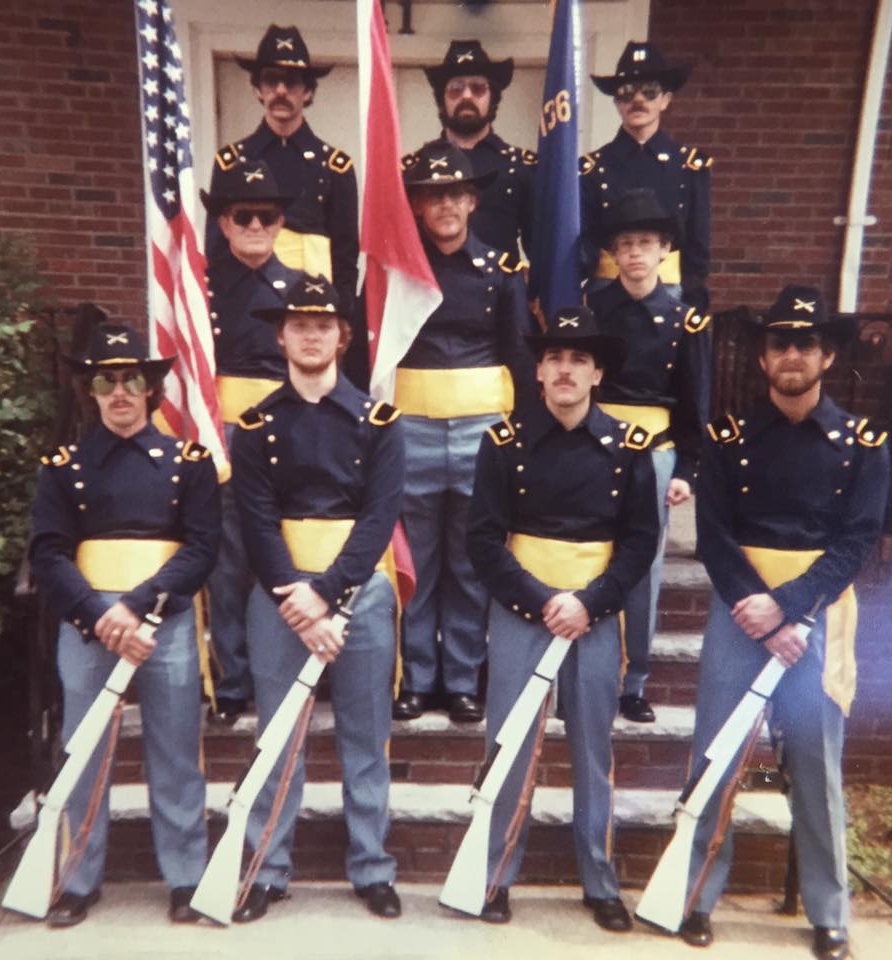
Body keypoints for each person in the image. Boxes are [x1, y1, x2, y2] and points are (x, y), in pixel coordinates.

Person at [680, 286, 890, 960]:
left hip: (818, 616)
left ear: (827, 354)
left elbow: (857, 543)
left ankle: (829, 913)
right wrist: (761, 612)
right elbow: (712, 537)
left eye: (805, 343)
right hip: (741, 610)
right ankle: (694, 895)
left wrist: (791, 607)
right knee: (715, 757)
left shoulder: (864, 445)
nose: (792, 354)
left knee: (816, 762)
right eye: (779, 343)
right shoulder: (727, 439)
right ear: (764, 357)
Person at [466, 306, 660, 929]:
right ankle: (494, 876)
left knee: (591, 750)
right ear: (540, 372)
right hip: (526, 608)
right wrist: (540, 600)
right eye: (555, 359)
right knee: (511, 745)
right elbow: (483, 539)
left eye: (579, 360)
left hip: (595, 614)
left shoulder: (631, 448)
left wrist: (588, 603)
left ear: (597, 373)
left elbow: (639, 542)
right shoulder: (503, 442)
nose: (566, 370)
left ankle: (599, 882)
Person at [29, 324, 220, 927]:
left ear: (152, 388)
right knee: (83, 750)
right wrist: (98, 615)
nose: (119, 392)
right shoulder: (64, 467)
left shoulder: (188, 463)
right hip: (88, 623)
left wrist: (136, 606)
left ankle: (186, 877)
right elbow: (49, 553)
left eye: (132, 379)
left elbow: (202, 548)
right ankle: (78, 878)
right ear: (90, 390)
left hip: (160, 617)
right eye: (106, 381)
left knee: (176, 751)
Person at [229, 274, 404, 922]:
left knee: (366, 737)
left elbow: (379, 520)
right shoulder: (254, 425)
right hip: (280, 599)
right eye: (298, 324)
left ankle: (371, 867)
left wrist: (328, 597)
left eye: (322, 325)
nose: (310, 334)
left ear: (342, 336)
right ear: (281, 336)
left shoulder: (378, 421)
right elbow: (255, 523)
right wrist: (296, 601)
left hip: (358, 595)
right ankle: (267, 869)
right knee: (277, 740)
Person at [393, 139, 536, 724]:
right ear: (420, 207)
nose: (445, 205)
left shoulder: (501, 271)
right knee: (418, 560)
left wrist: (523, 434)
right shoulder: (399, 272)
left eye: (455, 193)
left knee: (472, 560)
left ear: (472, 201)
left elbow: (520, 354)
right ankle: (418, 677)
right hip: (412, 431)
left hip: (481, 430)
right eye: (433, 196)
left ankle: (461, 678)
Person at [587, 188, 711, 723]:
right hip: (593, 446)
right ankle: (584, 676)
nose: (635, 253)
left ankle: (633, 682)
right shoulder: (592, 308)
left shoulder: (686, 321)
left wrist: (687, 468)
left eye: (646, 243)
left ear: (665, 250)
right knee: (587, 557)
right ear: (614, 253)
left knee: (643, 569)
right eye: (625, 244)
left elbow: (695, 402)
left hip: (654, 452)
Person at [200, 158, 304, 723]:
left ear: (281, 222)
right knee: (228, 558)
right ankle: (234, 679)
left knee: (285, 554)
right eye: (244, 216)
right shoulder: (201, 288)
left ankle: (287, 674)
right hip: (223, 432)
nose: (256, 226)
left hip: (287, 431)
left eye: (267, 216)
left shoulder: (301, 290)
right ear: (224, 223)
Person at [207, 24, 366, 385]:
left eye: (292, 82)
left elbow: (345, 257)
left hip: (312, 305)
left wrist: (341, 320)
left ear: (308, 92)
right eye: (271, 80)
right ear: (257, 88)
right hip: (244, 300)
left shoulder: (334, 165)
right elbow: (216, 244)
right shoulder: (231, 162)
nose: (281, 90)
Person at [581, 40, 711, 311]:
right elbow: (583, 243)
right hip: (607, 289)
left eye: (650, 92)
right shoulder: (592, 168)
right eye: (627, 93)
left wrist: (693, 299)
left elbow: (698, 245)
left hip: (671, 292)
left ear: (665, 99)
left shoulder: (689, 165)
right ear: (617, 102)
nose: (638, 100)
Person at [418, 39, 536, 257]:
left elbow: (541, 251)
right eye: (456, 89)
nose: (466, 96)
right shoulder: (416, 168)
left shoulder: (523, 166)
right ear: (442, 100)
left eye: (478, 88)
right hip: (434, 288)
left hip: (503, 289)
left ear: (493, 98)